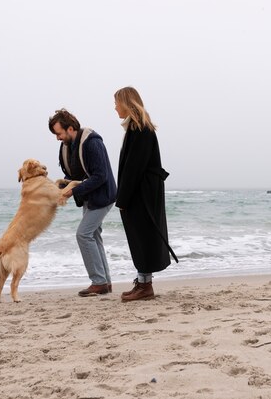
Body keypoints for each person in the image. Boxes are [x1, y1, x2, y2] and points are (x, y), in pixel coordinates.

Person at [114, 87, 178, 302]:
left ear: (126, 103)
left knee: (142, 237)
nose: (115, 108)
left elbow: (134, 168)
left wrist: (122, 199)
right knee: (140, 237)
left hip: (141, 194)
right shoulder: (136, 128)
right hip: (141, 193)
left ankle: (145, 286)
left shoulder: (140, 129)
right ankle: (142, 283)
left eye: (117, 103)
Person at [48, 108, 117, 297]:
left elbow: (100, 176)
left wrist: (72, 191)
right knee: (93, 236)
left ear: (71, 128)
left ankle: (98, 282)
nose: (57, 138)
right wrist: (59, 185)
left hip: (103, 196)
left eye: (59, 133)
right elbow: (73, 175)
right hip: (89, 196)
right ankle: (105, 283)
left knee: (83, 235)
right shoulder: (67, 146)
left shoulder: (92, 143)